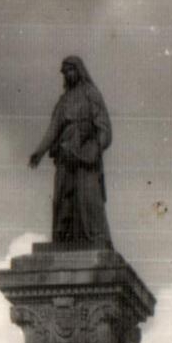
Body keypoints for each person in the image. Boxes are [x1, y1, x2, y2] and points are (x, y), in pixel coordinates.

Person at [29, 56, 113, 246]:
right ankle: (64, 240)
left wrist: (94, 149)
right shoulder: (64, 101)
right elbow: (53, 129)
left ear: (79, 71)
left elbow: (105, 128)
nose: (68, 74)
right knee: (63, 200)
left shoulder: (91, 93)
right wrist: (39, 152)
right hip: (65, 155)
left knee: (89, 199)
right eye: (65, 72)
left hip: (85, 156)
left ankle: (96, 238)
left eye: (71, 70)